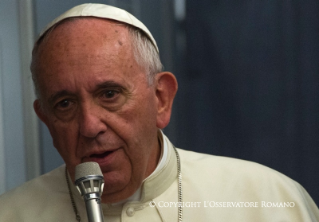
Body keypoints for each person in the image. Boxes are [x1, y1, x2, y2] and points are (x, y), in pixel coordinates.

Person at [0, 3, 318, 222]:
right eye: (65, 104)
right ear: (46, 120)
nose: (89, 126)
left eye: (109, 94)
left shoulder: (267, 200)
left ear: (161, 99)